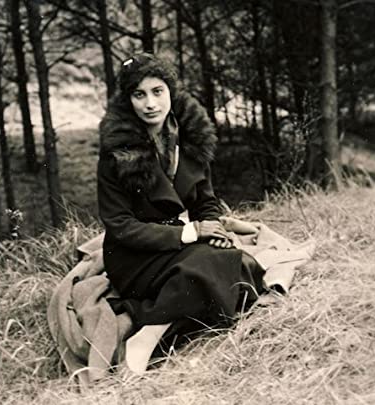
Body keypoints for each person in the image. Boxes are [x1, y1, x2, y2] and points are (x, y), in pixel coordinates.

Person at [97, 53, 265, 373]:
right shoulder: (116, 153)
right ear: (128, 100)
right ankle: (148, 335)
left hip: (176, 245)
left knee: (240, 263)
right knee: (210, 268)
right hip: (134, 256)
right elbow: (120, 225)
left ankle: (170, 317)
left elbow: (205, 200)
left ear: (170, 91)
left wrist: (213, 228)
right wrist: (191, 232)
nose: (150, 104)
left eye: (157, 91)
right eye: (139, 94)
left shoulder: (192, 138)